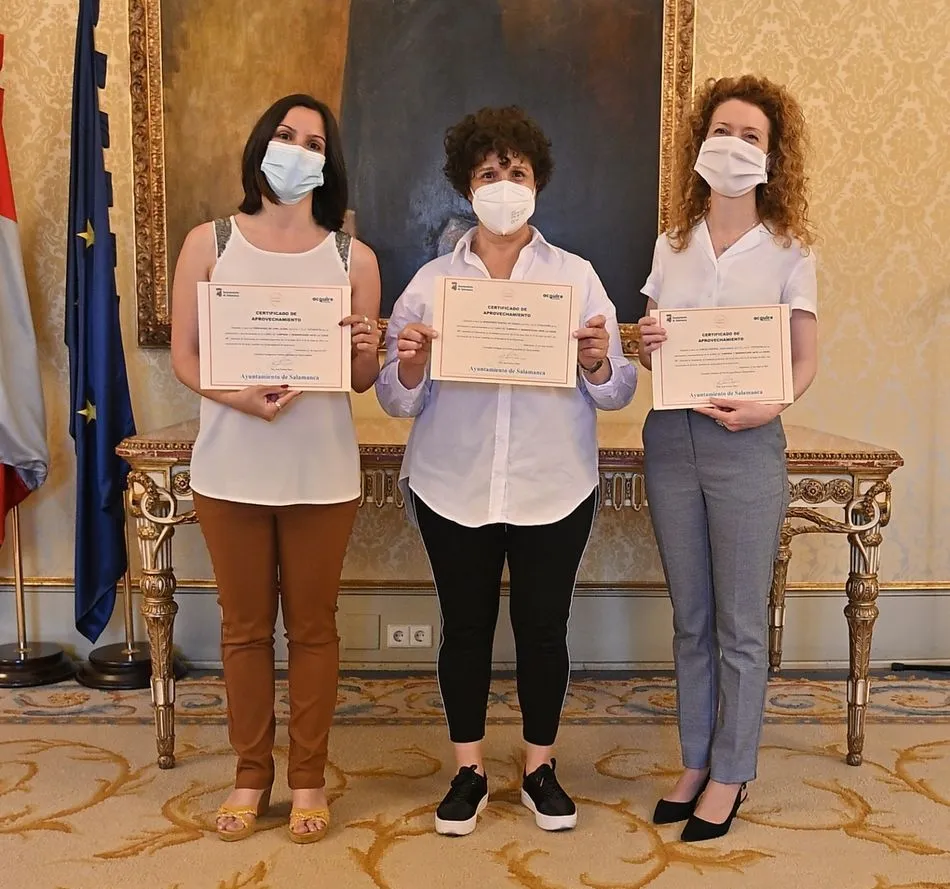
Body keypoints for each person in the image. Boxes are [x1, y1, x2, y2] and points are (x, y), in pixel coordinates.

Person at [376, 106, 637, 837]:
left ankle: (539, 767)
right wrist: (411, 364)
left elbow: (618, 388)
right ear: (468, 185)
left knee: (544, 629)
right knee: (464, 629)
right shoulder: (431, 282)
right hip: (452, 482)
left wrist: (597, 362)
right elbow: (396, 397)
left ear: (537, 183)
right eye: (489, 172)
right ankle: (467, 770)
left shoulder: (575, 277)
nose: (503, 184)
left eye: (516, 171)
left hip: (554, 483)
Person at [170, 94, 381, 843]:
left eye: (314, 142)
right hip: (230, 467)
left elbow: (361, 379)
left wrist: (367, 345)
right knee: (244, 630)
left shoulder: (354, 258)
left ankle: (308, 778)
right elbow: (186, 356)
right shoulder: (209, 243)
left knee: (315, 629)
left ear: (329, 162)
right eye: (286, 135)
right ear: (262, 145)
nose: (297, 149)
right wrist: (239, 396)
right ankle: (250, 774)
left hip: (321, 471)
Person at [637, 75, 819, 842]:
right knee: (692, 617)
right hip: (671, 440)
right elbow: (654, 349)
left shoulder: (789, 249)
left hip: (747, 442)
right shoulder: (671, 243)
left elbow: (805, 359)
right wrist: (647, 341)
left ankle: (732, 770)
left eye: (751, 136)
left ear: (772, 157)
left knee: (741, 621)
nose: (734, 145)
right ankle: (695, 757)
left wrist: (769, 405)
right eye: (722, 130)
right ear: (699, 144)